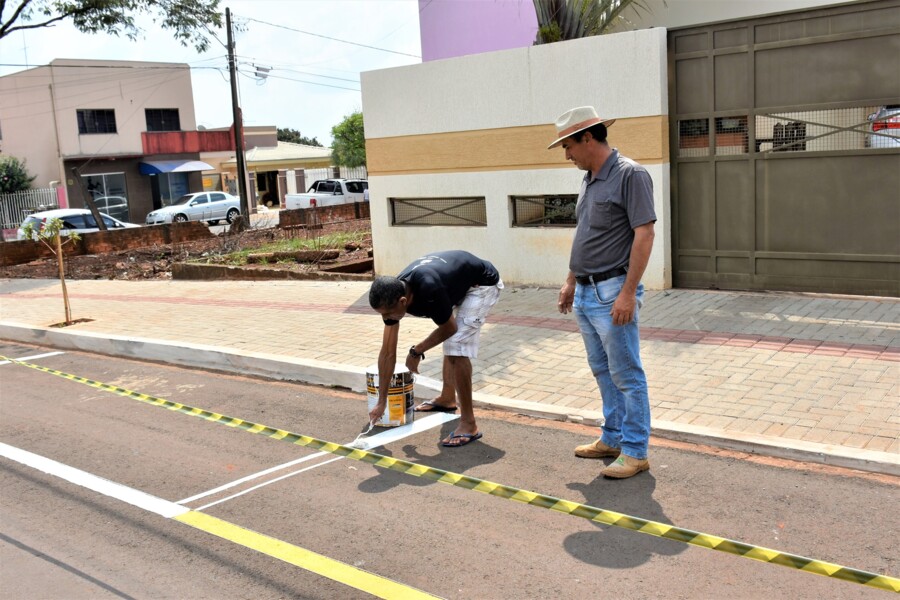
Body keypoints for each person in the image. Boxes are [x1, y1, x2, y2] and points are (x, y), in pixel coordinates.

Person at [549, 106, 656, 479]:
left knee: (626, 373)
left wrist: (628, 293)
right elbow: (587, 235)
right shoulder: (590, 178)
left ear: (588, 138)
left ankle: (635, 451)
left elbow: (645, 234)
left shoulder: (631, 175)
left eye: (568, 146)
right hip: (585, 290)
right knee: (602, 371)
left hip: (613, 290)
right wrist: (571, 280)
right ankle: (612, 438)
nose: (566, 154)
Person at [368, 251, 503, 447]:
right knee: (451, 343)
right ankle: (448, 398)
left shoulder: (428, 289)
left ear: (403, 301)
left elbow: (449, 328)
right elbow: (387, 352)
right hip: (453, 283)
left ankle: (469, 424)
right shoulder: (393, 293)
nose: (386, 317)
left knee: (456, 347)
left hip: (480, 284)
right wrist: (382, 401)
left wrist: (416, 351)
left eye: (388, 313)